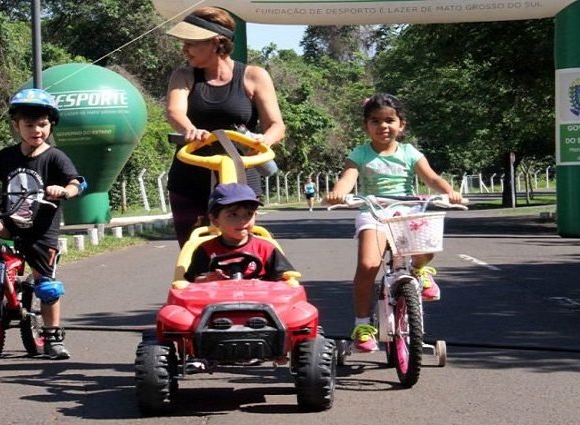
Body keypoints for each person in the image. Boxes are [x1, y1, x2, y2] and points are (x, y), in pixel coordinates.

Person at [0, 88, 86, 360]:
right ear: (16, 126)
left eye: (43, 124)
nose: (37, 130)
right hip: (9, 221)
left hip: (41, 231)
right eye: (29, 125)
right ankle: (5, 257)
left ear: (51, 125)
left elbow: (77, 182)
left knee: (46, 287)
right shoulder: (7, 156)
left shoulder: (55, 157)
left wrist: (64, 191)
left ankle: (52, 337)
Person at [325, 93, 462, 353]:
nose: (383, 126)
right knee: (368, 265)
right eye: (375, 121)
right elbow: (347, 178)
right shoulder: (360, 154)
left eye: (389, 120)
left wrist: (450, 192)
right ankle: (363, 325)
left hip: (406, 210)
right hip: (374, 211)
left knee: (427, 246)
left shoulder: (409, 152)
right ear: (366, 126)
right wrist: (338, 193)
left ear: (401, 125)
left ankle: (419, 271)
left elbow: (432, 178)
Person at [164, 6, 286, 248]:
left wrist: (264, 141)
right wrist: (190, 129)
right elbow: (175, 111)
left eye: (191, 43)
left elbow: (276, 126)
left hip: (241, 178)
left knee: (240, 248)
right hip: (190, 177)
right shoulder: (184, 75)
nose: (184, 50)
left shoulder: (254, 76)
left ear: (217, 42)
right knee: (194, 251)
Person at [184, 183, 295, 283]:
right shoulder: (206, 250)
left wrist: (263, 285)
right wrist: (207, 279)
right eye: (233, 215)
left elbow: (284, 279)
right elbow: (193, 281)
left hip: (259, 298)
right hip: (218, 298)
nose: (243, 221)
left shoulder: (266, 249)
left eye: (249, 214)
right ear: (215, 220)